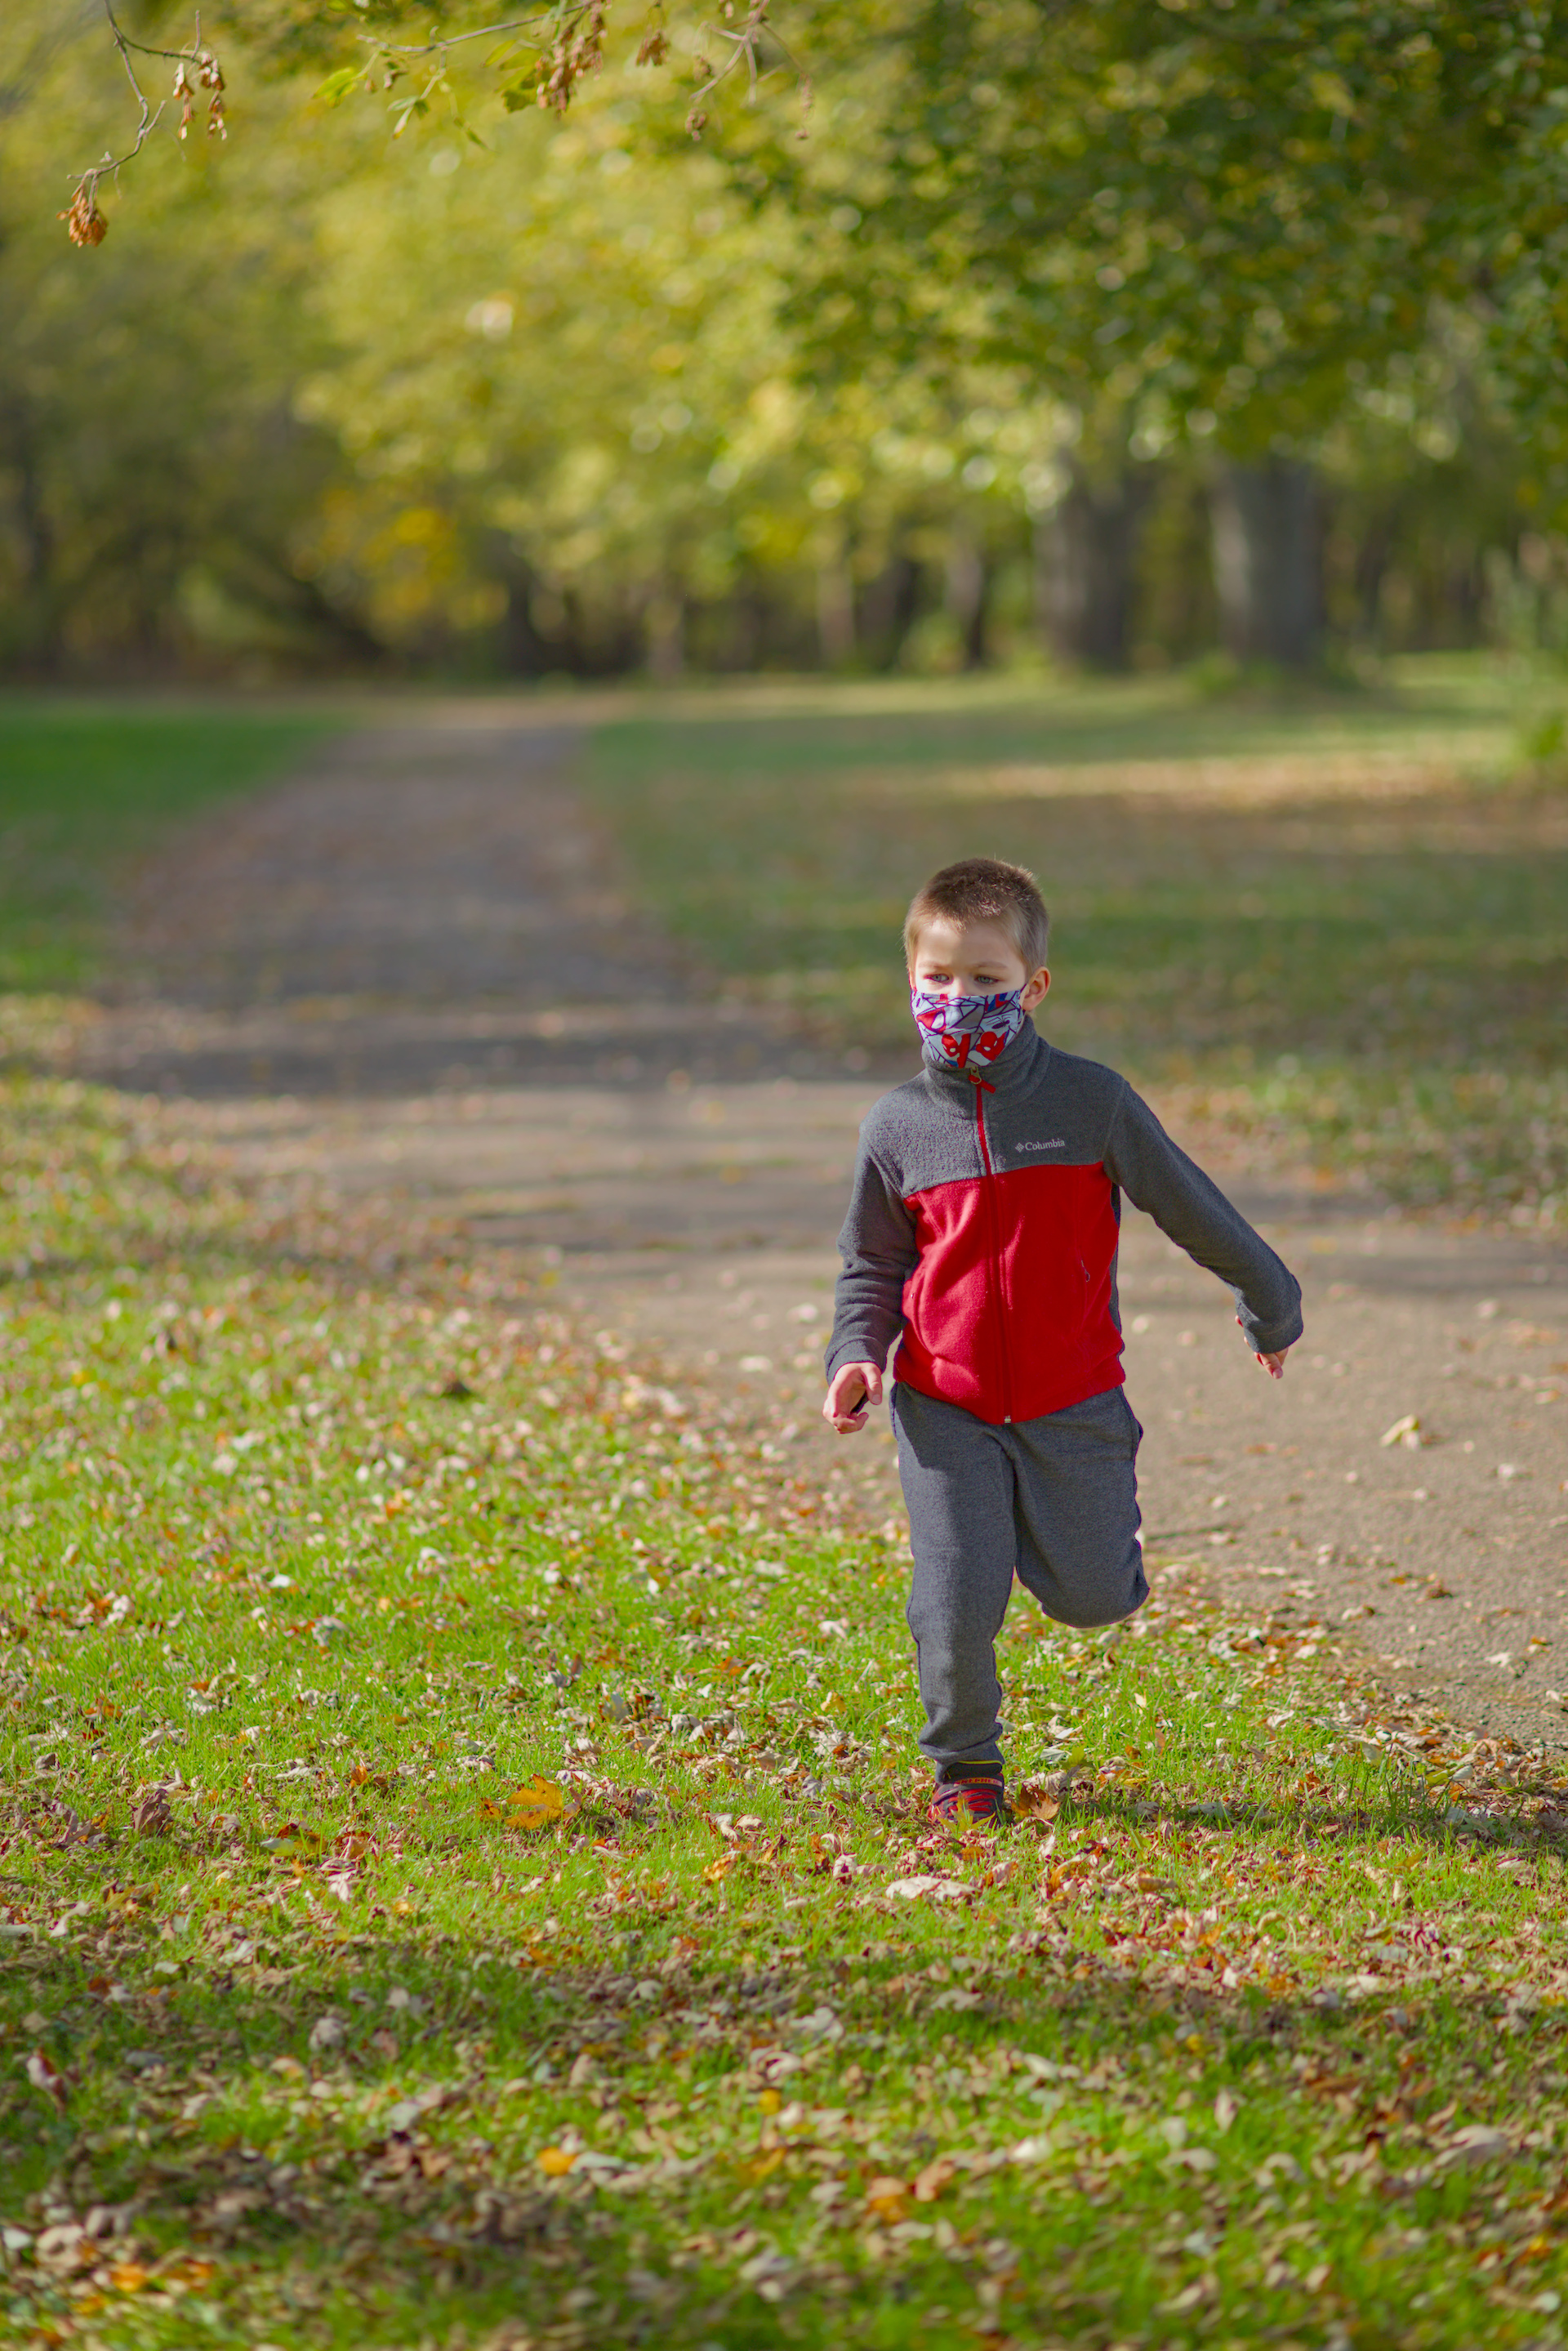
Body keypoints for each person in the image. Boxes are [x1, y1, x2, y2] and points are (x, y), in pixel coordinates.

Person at [822, 857, 1302, 1827]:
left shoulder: (1090, 1103)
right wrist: (856, 1354)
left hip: (1073, 1398)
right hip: (946, 1406)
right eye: (938, 978)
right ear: (910, 979)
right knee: (954, 1599)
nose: (959, 999)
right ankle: (966, 1771)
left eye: (986, 979)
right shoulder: (897, 1127)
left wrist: (1270, 1300)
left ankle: (1042, 1530)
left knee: (1094, 1596)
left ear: (1033, 986)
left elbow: (1190, 1205)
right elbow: (870, 1263)